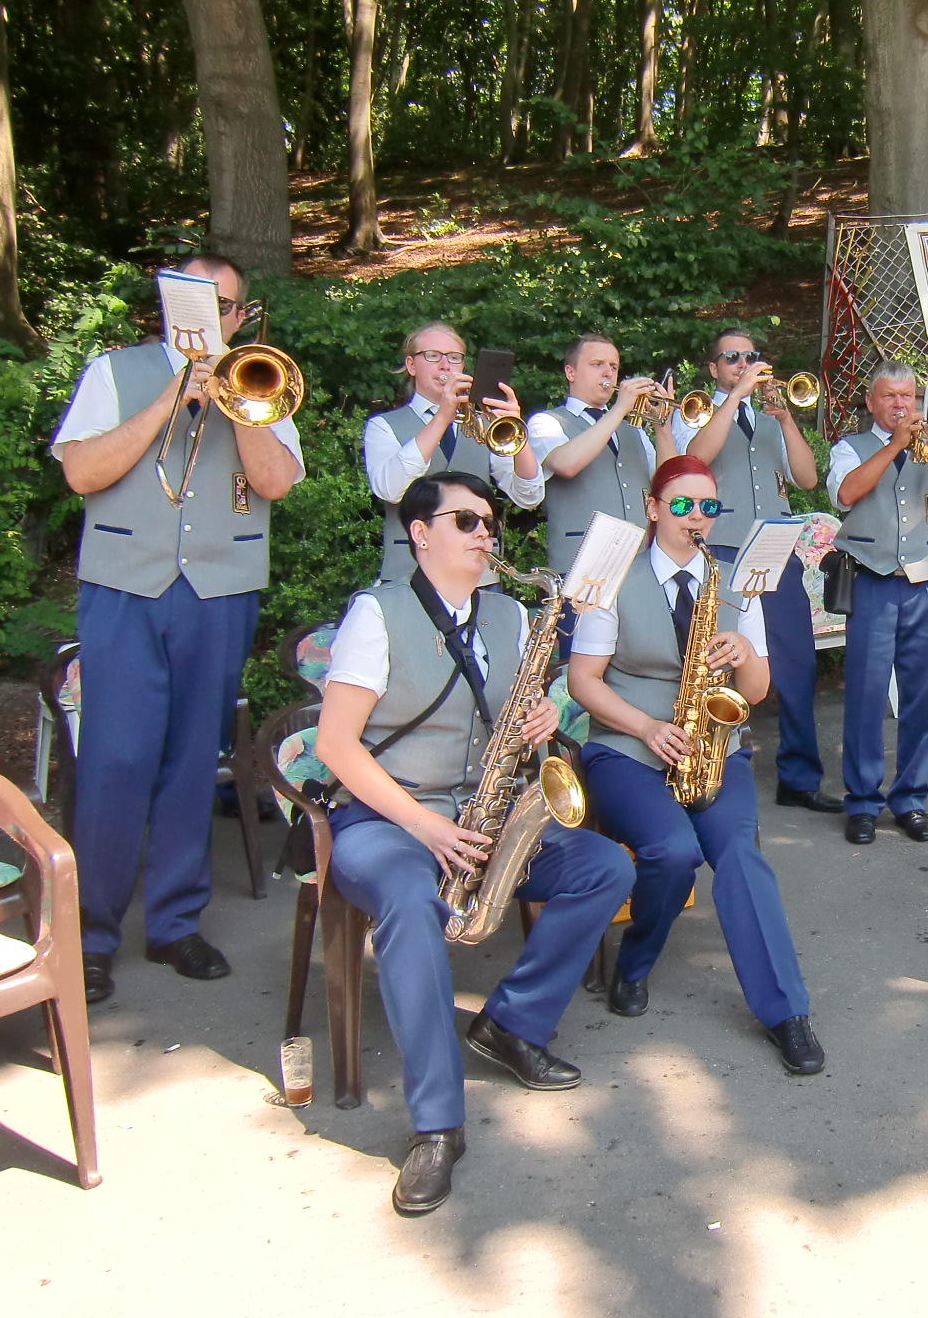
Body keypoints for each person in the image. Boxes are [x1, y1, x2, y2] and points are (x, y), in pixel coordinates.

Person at [314, 471, 636, 1215]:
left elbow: (520, 713)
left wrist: (542, 720)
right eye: (465, 521)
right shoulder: (377, 613)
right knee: (408, 901)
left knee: (602, 867)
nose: (485, 533)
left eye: (490, 522)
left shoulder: (511, 615)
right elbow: (334, 745)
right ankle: (436, 1126)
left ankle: (512, 1025)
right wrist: (422, 825)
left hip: (480, 816)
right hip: (389, 819)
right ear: (420, 533)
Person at [52, 254, 303, 1006]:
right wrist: (172, 396)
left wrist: (235, 400)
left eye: (226, 306)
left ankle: (173, 924)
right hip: (126, 588)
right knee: (114, 760)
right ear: (169, 303)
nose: (211, 315)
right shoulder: (114, 371)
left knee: (195, 758)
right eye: (196, 298)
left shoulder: (261, 378)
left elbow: (275, 482)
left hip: (217, 591)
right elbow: (82, 473)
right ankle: (90, 936)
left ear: (240, 317)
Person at [566, 455, 825, 1075]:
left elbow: (756, 692)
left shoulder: (735, 580)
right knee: (672, 850)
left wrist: (745, 652)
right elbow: (583, 680)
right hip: (627, 747)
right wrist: (647, 727)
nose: (697, 517)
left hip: (714, 747)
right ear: (653, 508)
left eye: (709, 506)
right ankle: (635, 961)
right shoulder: (615, 577)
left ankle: (786, 1012)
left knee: (739, 852)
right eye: (682, 505)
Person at [672, 327, 836, 813]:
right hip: (719, 548)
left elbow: (807, 478)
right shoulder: (694, 411)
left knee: (796, 662)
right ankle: (712, 774)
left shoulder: (768, 415)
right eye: (732, 358)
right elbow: (692, 461)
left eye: (751, 356)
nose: (744, 364)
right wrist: (735, 398)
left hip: (775, 548)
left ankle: (799, 778)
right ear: (713, 368)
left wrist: (785, 420)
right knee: (719, 663)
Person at [826, 361, 928, 846]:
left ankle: (910, 798)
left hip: (927, 581)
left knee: (922, 693)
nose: (901, 405)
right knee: (866, 695)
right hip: (873, 579)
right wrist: (894, 446)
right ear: (871, 402)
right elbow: (846, 494)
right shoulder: (850, 448)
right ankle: (863, 802)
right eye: (889, 396)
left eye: (908, 396)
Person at [362, 322, 542, 582]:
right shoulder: (383, 425)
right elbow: (390, 490)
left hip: (477, 579)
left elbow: (529, 496)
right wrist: (441, 418)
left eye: (454, 358)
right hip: (409, 576)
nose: (445, 365)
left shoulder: (483, 422)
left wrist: (515, 429)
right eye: (433, 356)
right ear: (411, 365)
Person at [525, 333, 673, 574]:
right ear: (570, 372)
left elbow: (670, 485)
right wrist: (620, 408)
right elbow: (566, 464)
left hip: (639, 563)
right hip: (580, 565)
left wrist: (662, 427)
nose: (608, 373)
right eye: (597, 364)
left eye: (613, 367)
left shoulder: (633, 430)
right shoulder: (546, 422)